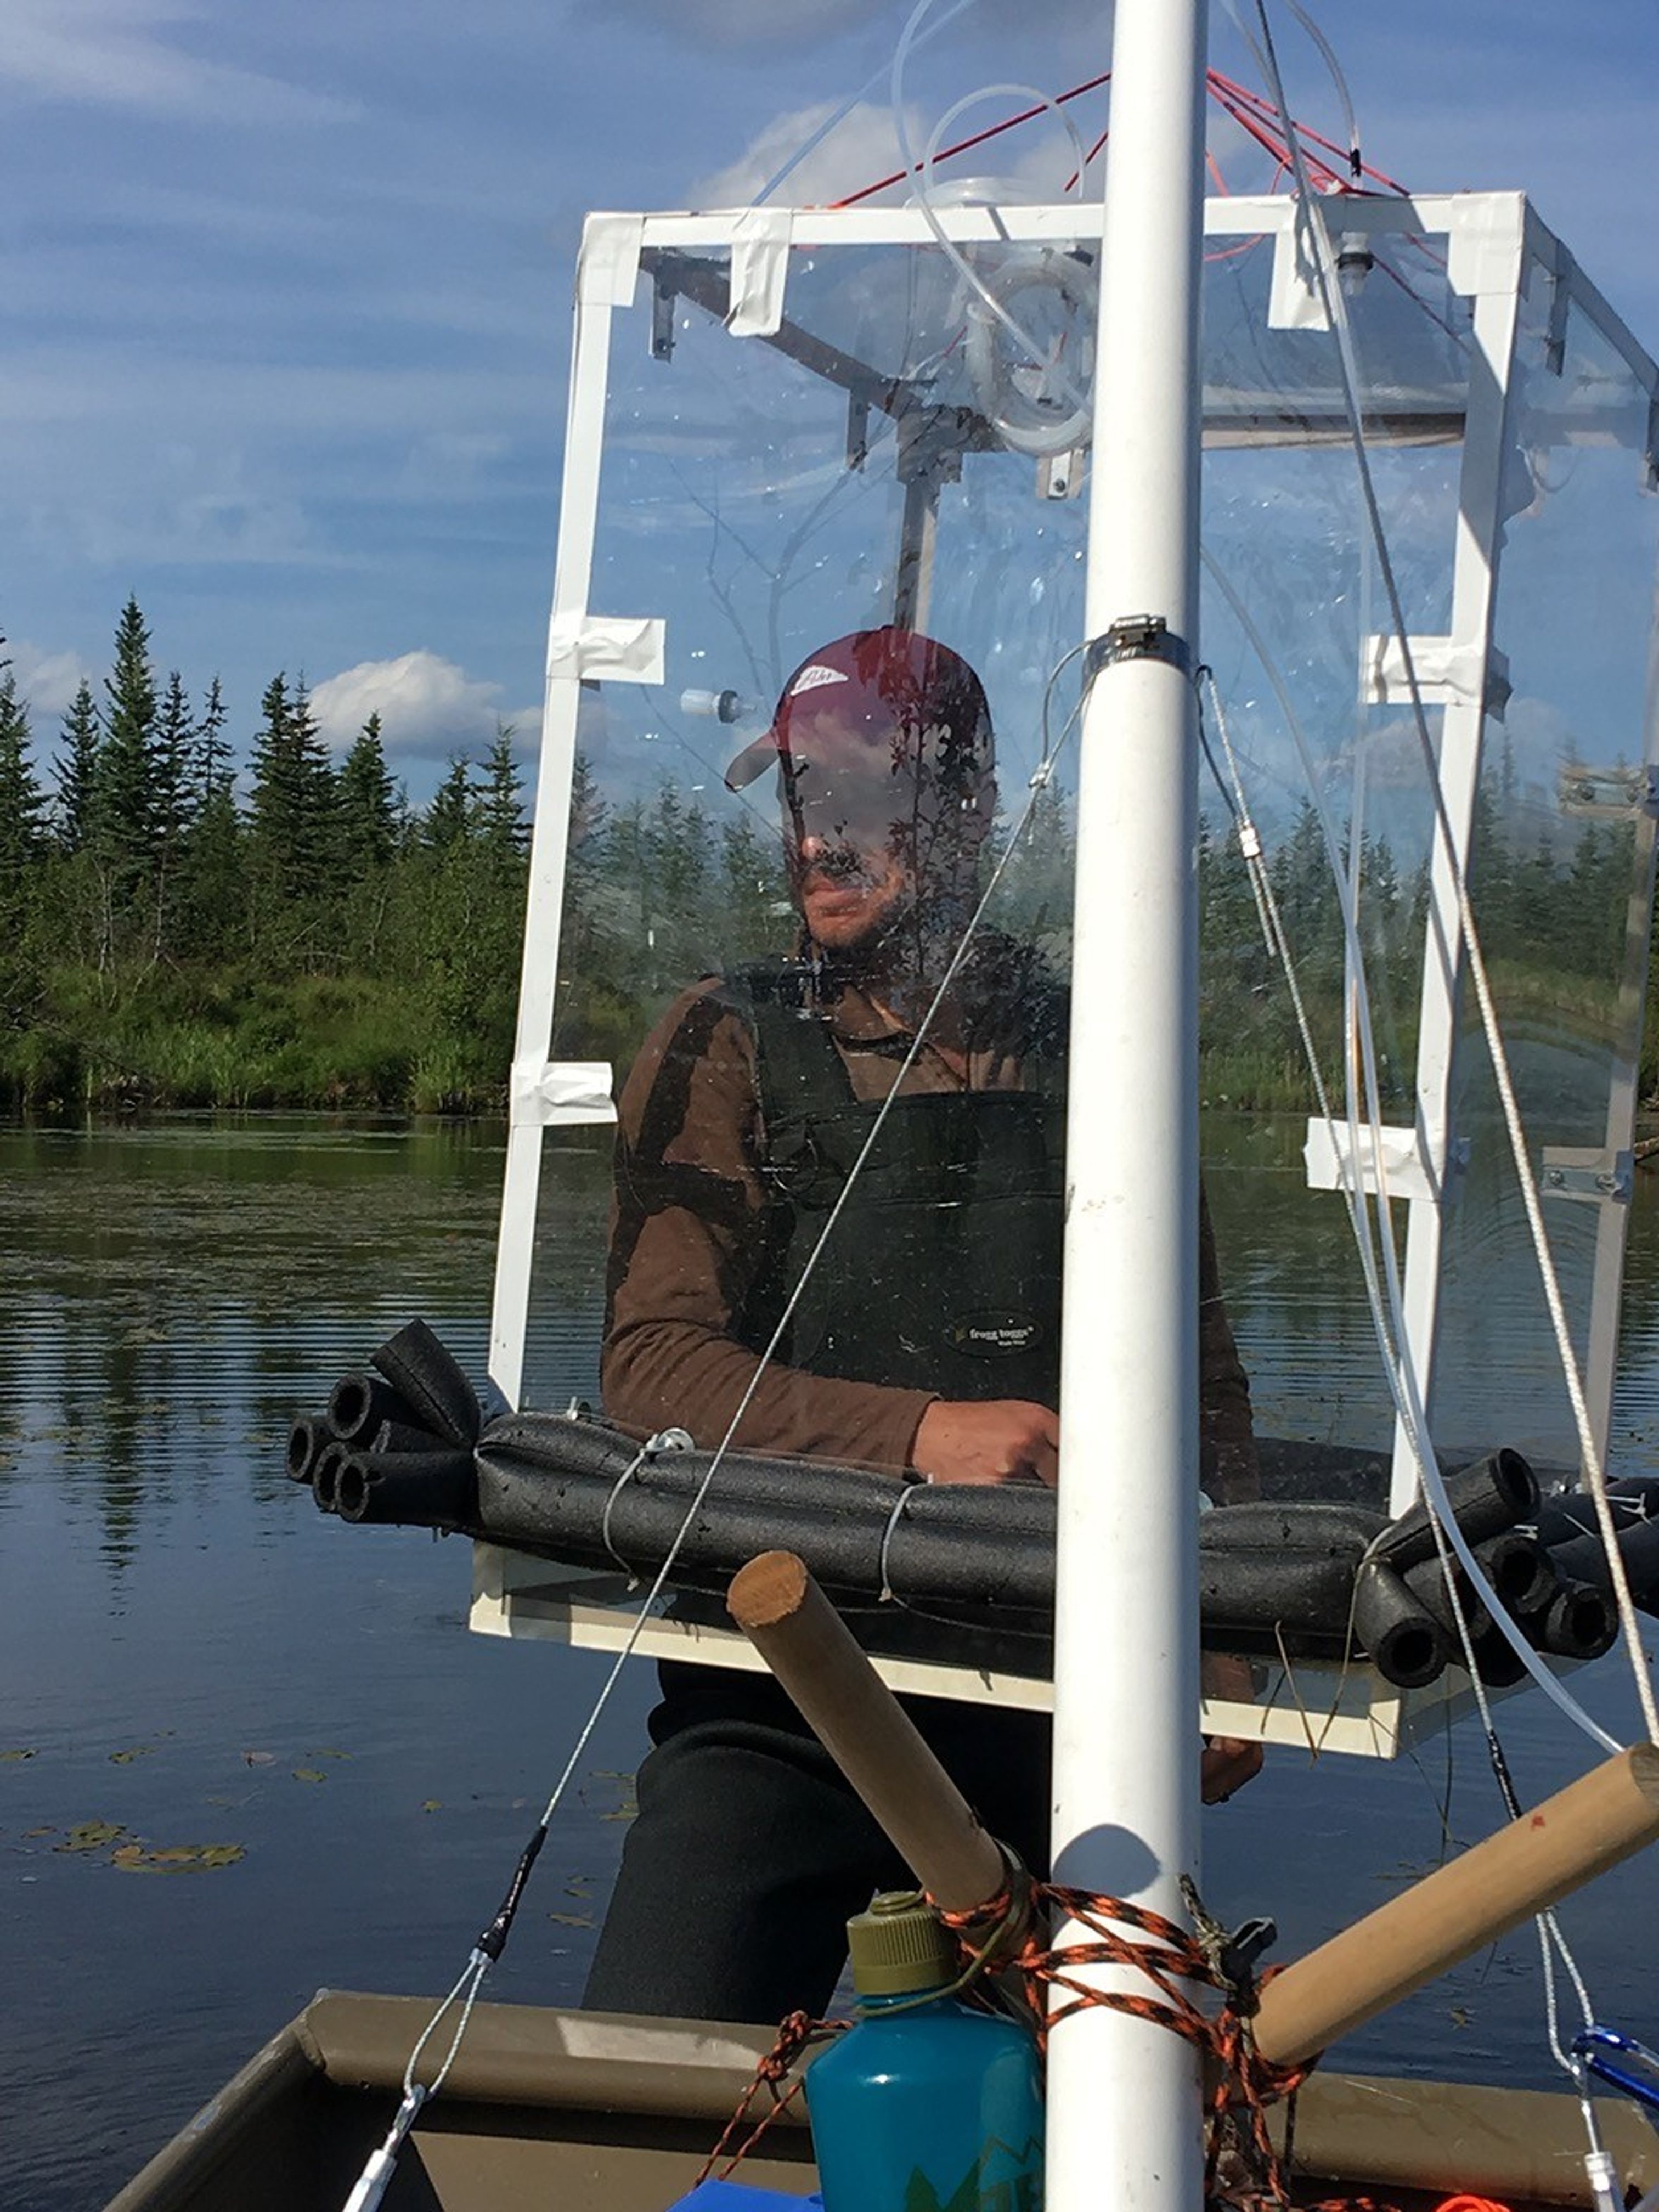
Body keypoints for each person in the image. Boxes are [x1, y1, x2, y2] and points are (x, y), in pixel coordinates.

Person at [583, 626, 1261, 2025]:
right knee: (645, 2075)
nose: (817, 842)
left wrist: (1224, 1628)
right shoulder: (723, 1037)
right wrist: (920, 1437)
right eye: (800, 802)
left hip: (1060, 1702)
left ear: (965, 814)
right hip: (769, 1694)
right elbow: (650, 1369)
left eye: (857, 802)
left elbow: (1198, 1375)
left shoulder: (1099, 1040)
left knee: (1090, 2118)